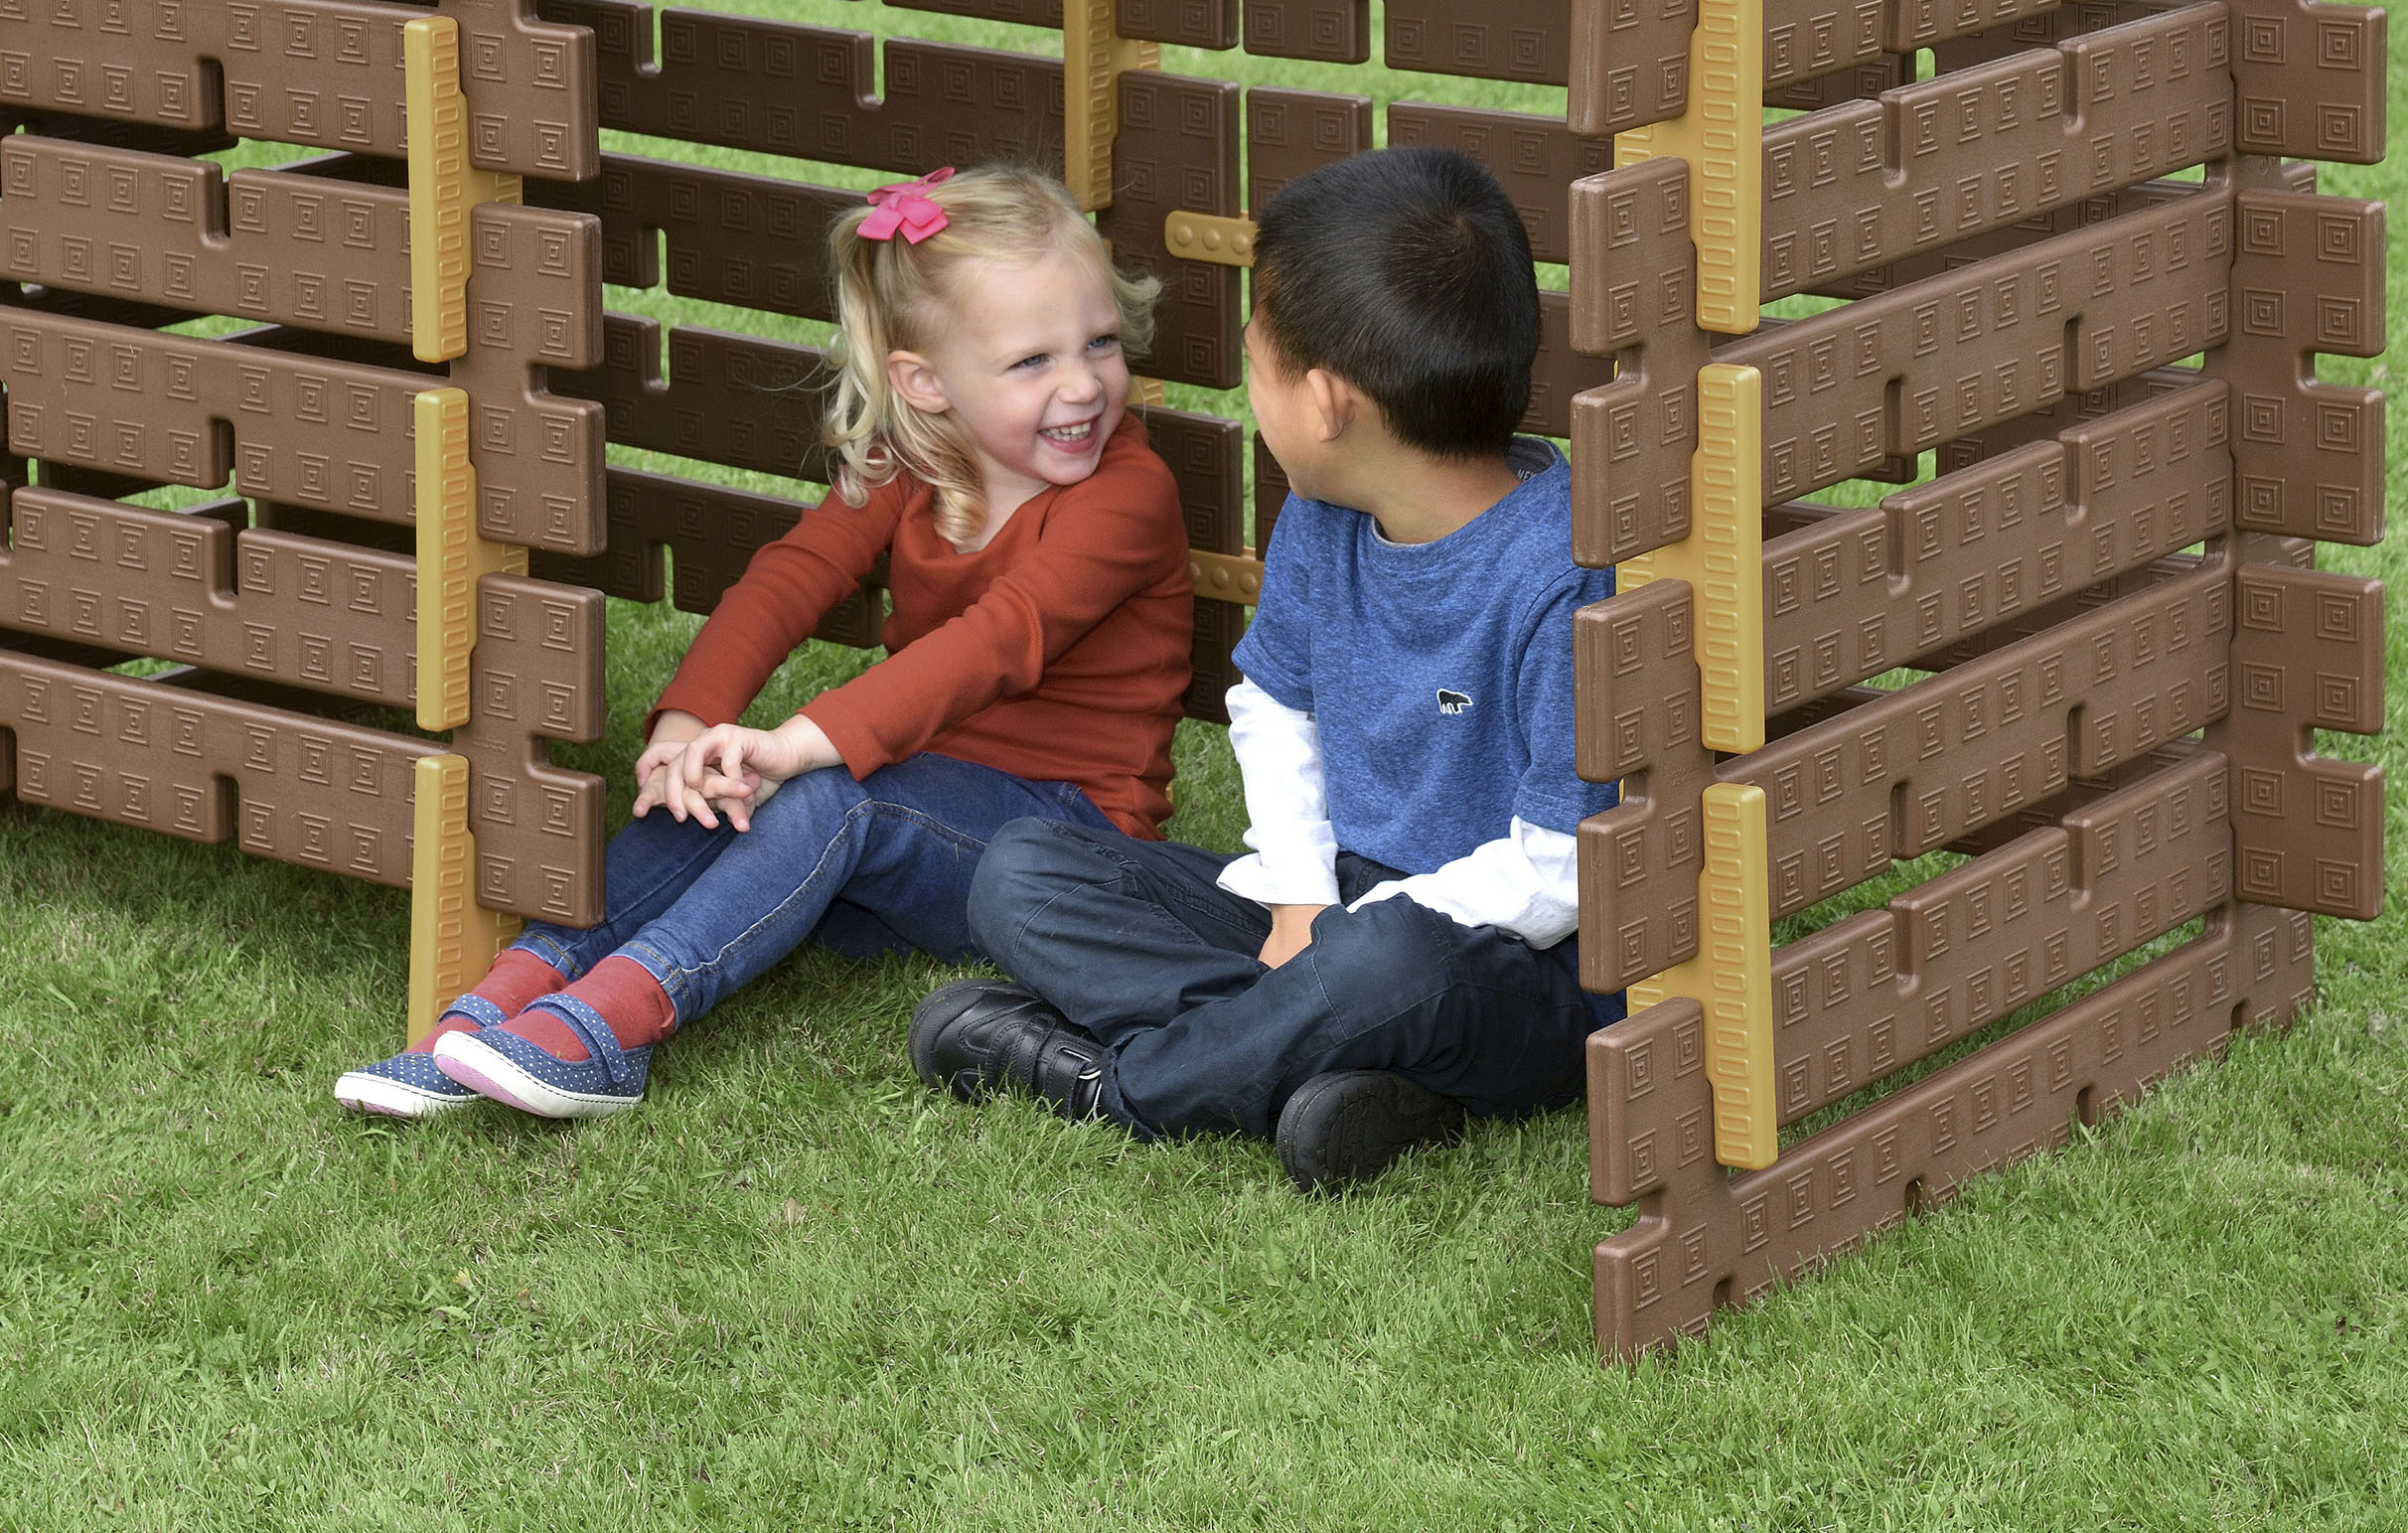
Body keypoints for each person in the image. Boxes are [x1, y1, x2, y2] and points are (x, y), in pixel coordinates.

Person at [335, 161, 1192, 1122]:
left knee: (825, 790)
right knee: (726, 782)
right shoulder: (917, 460)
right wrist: (689, 727)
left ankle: (616, 1024)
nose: (1082, 384)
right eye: (1033, 361)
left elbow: (996, 643)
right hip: (913, 811)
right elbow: (794, 576)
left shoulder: (1127, 496)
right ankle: (509, 994)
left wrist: (797, 744)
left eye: (1100, 343)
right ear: (927, 384)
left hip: (1060, 847)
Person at [909, 142, 1620, 1191]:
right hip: (1333, 904)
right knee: (1024, 870)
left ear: (1326, 404)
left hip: (1505, 964)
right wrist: (1295, 905)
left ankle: (1126, 1088)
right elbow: (1275, 704)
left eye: (1254, 363)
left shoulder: (1564, 577)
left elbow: (1559, 870)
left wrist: (1345, 943)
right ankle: (1325, 1071)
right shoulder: (1322, 517)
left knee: (1387, 971)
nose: (1248, 391)